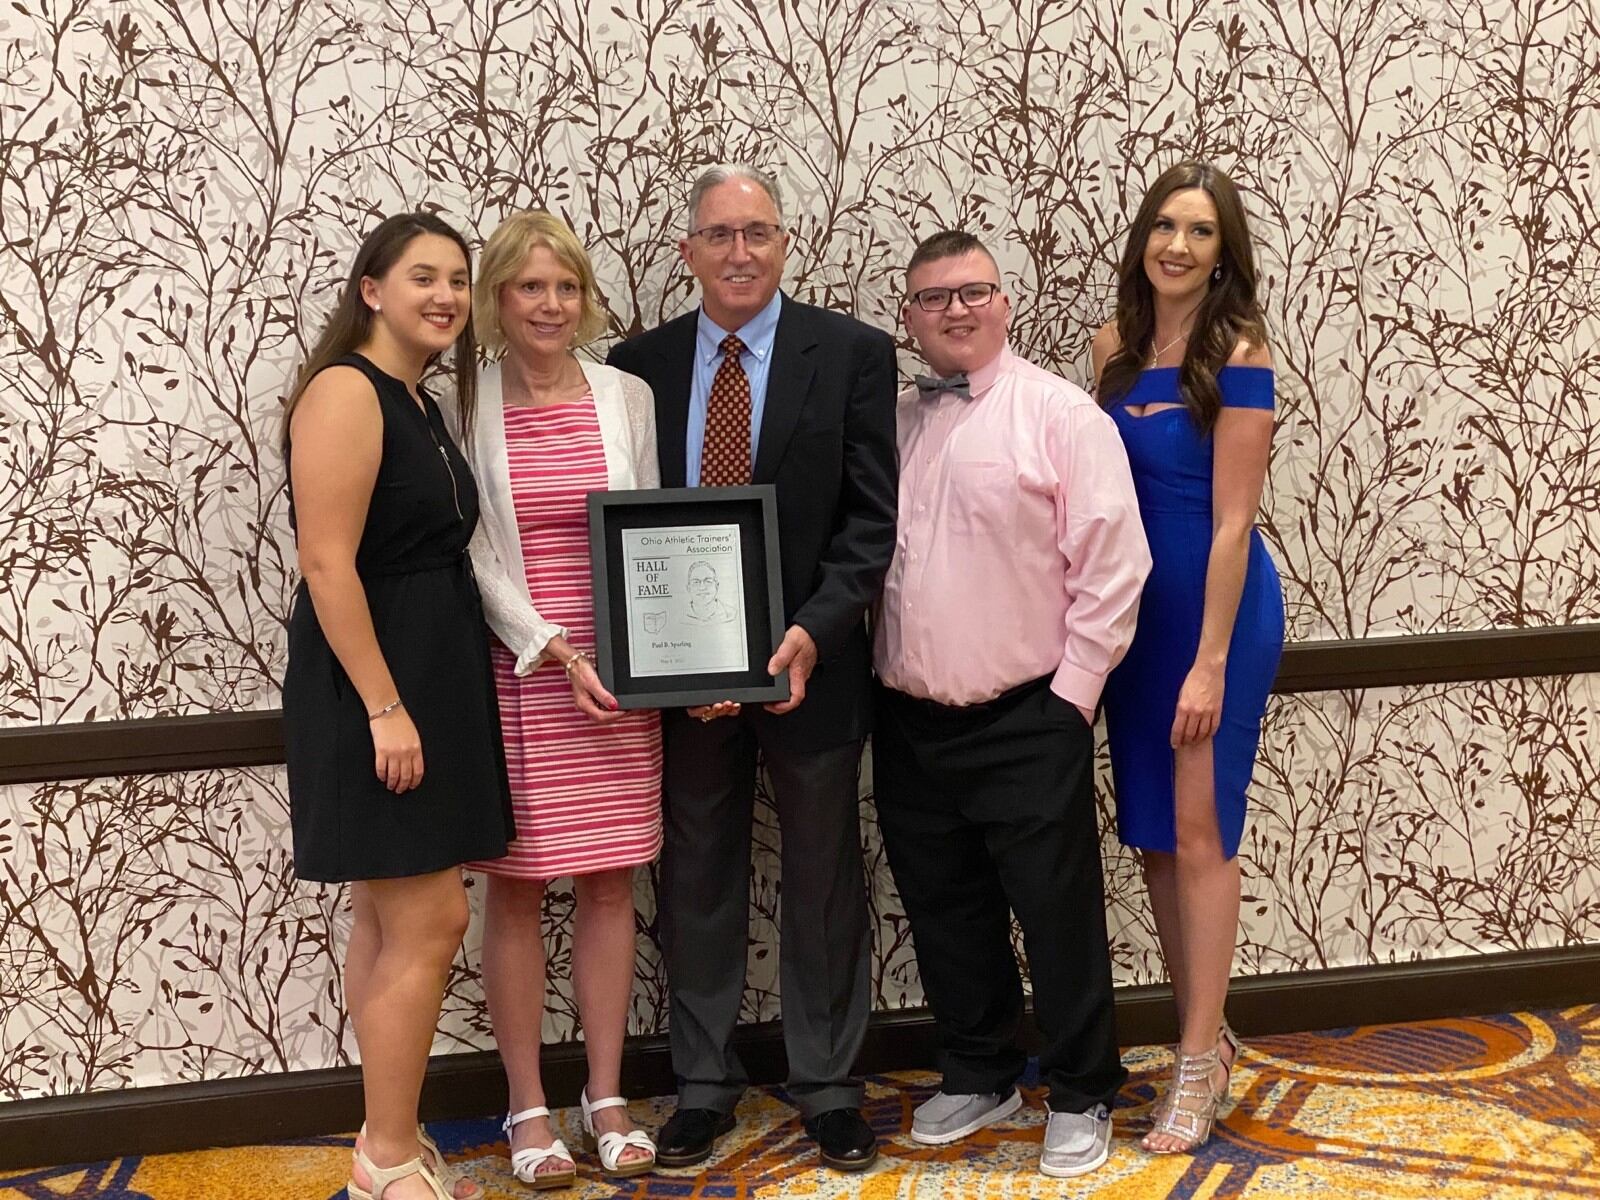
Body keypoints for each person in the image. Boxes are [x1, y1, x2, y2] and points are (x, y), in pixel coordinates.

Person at [605, 164, 898, 1172]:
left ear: (785, 246)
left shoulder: (853, 354)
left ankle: (826, 1086)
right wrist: (668, 658)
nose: (739, 252)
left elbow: (870, 523)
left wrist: (811, 631)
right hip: (684, 682)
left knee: (820, 877)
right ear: (686, 252)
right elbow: (627, 529)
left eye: (758, 233)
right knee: (694, 872)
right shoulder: (635, 367)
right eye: (719, 235)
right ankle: (700, 1083)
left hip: (812, 667)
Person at [873, 229, 1151, 1179]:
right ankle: (980, 1069)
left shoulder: (1063, 417)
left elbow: (1114, 568)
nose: (955, 309)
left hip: (1030, 714)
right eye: (933, 297)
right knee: (945, 908)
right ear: (908, 318)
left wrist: (1069, 702)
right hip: (908, 718)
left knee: (1056, 913)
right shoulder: (896, 420)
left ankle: (1080, 1089)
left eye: (973, 292)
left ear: (1004, 303)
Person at [282, 212, 511, 1200]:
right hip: (376, 686)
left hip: (430, 674)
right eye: (423, 277)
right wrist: (384, 706)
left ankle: (389, 1141)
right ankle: (383, 1152)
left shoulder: (416, 400)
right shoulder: (345, 391)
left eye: (457, 280)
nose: (445, 297)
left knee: (387, 924)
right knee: (431, 922)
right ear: (370, 289)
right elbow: (327, 564)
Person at [458, 211, 660, 1186]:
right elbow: (474, 551)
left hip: (620, 682)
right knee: (518, 884)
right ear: (498, 298)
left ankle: (608, 1096)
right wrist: (549, 648)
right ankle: (528, 1106)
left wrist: (658, 659)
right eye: (530, 287)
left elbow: (659, 536)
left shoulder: (626, 396)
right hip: (521, 674)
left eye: (566, 287)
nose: (550, 304)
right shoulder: (465, 402)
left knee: (613, 880)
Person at [1093, 160, 1284, 1153]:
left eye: (1199, 231)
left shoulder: (1237, 352)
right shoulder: (1113, 350)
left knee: (1203, 832)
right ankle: (1196, 1033)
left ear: (1222, 255)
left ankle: (1199, 1061)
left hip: (1214, 624)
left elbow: (1231, 525)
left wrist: (1208, 663)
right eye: (1163, 225)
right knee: (1157, 836)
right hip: (1134, 627)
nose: (1175, 244)